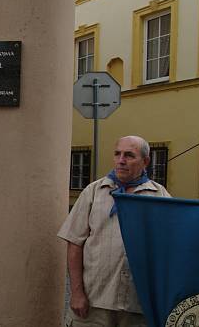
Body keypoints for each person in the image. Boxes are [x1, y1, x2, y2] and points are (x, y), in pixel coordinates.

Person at [58, 136, 170, 327]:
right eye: (117, 154)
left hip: (137, 305)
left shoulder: (159, 196)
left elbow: (175, 243)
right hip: (94, 302)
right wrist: (76, 293)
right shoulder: (94, 191)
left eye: (129, 155)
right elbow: (74, 242)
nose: (121, 160)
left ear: (145, 162)